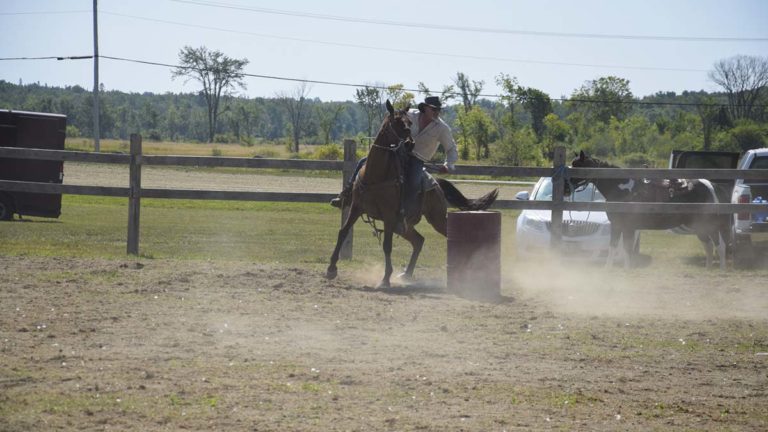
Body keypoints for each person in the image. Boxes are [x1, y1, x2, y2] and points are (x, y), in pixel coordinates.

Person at [330, 96, 459, 220]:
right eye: (434, 109)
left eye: (438, 110)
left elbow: (451, 148)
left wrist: (449, 165)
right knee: (364, 161)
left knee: (414, 181)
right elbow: (393, 121)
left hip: (417, 159)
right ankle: (345, 196)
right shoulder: (410, 115)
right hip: (398, 151)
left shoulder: (442, 128)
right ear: (425, 108)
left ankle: (405, 212)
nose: (437, 112)